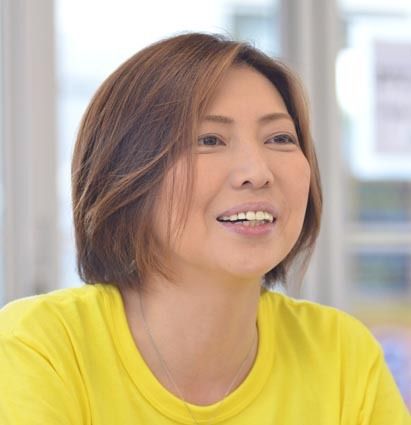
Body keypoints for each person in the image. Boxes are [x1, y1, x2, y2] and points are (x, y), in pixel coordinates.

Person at [0, 32, 409, 425]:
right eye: (210, 140)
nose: (257, 172)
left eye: (280, 138)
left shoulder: (341, 353)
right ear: (126, 172)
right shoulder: (40, 346)